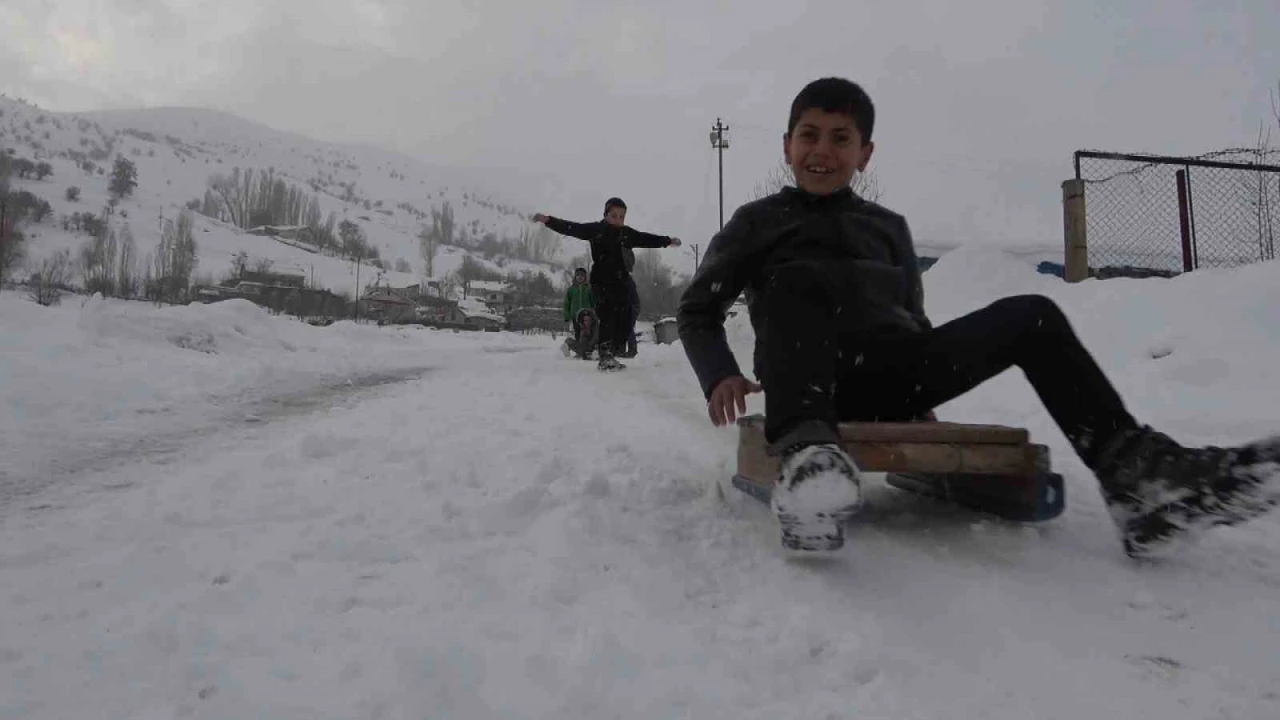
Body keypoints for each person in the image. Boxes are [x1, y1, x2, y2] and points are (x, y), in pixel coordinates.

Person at [677, 76, 1280, 556]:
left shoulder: (886, 228)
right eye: (809, 135)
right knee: (797, 279)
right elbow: (699, 309)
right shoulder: (758, 222)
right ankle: (810, 465)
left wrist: (921, 397)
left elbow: (911, 318)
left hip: (891, 377)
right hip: (808, 391)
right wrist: (719, 372)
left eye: (841, 138)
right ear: (787, 145)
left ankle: (1138, 476)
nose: (822, 151)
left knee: (1033, 313)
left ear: (865, 153)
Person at [534, 198, 682, 371]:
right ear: (605, 215)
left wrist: (667, 241)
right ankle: (605, 355)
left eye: (622, 217)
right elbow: (572, 228)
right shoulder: (596, 230)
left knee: (625, 316)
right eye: (614, 216)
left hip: (621, 282)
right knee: (607, 314)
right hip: (601, 280)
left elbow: (646, 238)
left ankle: (614, 349)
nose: (618, 220)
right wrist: (549, 221)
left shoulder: (626, 233)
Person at [563, 267, 594, 344]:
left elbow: (593, 302)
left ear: (585, 277)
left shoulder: (589, 289)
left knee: (586, 334)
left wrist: (594, 314)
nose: (580, 277)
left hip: (586, 316)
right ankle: (579, 348)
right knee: (577, 333)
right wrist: (567, 316)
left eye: (582, 275)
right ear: (575, 277)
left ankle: (587, 348)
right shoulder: (571, 289)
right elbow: (567, 303)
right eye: (578, 275)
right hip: (575, 316)